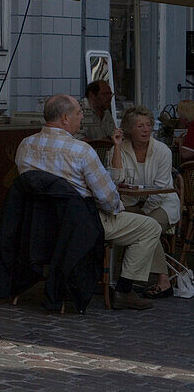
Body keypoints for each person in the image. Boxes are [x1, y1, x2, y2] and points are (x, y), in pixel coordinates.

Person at [14, 95, 163, 310]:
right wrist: (117, 209)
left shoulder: (25, 146)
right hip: (79, 226)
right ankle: (123, 290)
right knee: (149, 227)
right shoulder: (81, 150)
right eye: (78, 113)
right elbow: (108, 198)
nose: (82, 117)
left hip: (38, 225)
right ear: (65, 118)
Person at [108, 105, 179, 298]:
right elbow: (115, 180)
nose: (146, 129)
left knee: (149, 226)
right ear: (130, 129)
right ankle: (125, 280)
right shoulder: (121, 149)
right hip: (131, 203)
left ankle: (163, 281)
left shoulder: (162, 151)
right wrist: (115, 147)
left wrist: (145, 214)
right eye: (140, 126)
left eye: (148, 125)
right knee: (142, 226)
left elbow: (162, 189)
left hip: (162, 202)